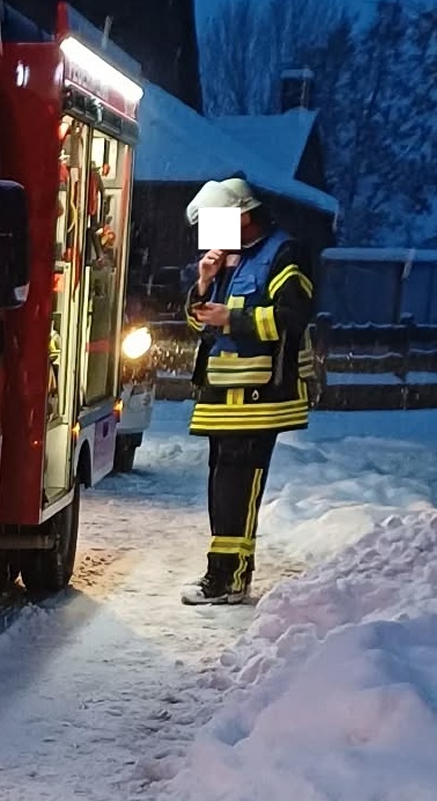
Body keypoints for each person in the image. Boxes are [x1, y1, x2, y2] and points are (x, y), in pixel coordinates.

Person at [180, 176, 317, 605]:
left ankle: (229, 579)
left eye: (214, 222)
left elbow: (292, 318)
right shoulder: (229, 260)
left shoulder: (284, 253)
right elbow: (200, 323)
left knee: (238, 489)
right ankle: (221, 574)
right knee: (223, 489)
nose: (208, 234)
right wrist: (203, 283)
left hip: (260, 399)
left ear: (241, 216)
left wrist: (231, 317)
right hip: (223, 399)